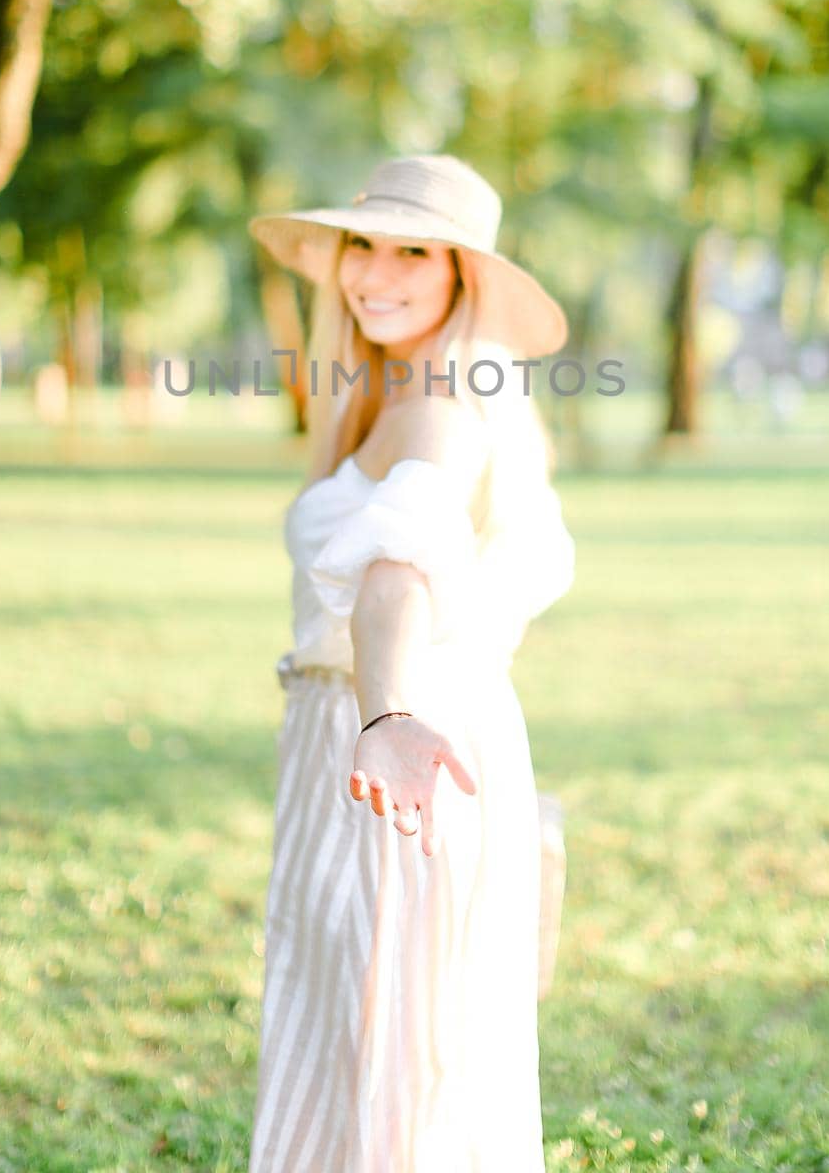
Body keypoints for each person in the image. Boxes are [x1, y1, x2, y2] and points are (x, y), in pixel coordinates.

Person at [246, 152, 577, 1172]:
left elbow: (397, 580)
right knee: (369, 1034)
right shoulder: (389, 391)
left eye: (414, 253)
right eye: (362, 245)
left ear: (460, 276)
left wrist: (384, 715)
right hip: (371, 741)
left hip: (398, 757)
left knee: (392, 1049)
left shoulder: (437, 408)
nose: (374, 274)